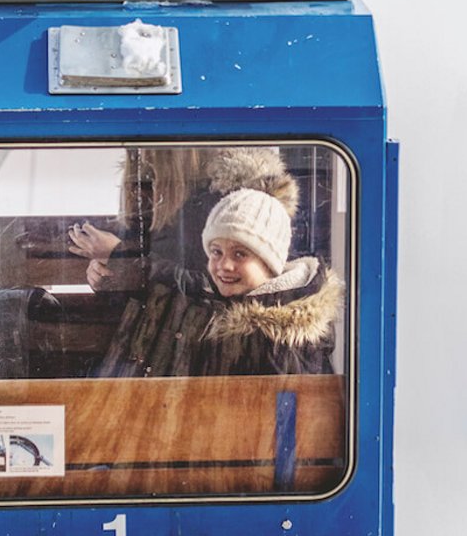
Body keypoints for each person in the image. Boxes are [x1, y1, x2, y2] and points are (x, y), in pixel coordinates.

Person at [95, 184, 343, 377]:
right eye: (216, 252)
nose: (224, 265)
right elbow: (179, 283)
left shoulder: (285, 335)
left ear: (270, 263)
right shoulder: (224, 298)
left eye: (240, 254)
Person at [67, 145, 298, 290]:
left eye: (152, 155)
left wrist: (120, 256)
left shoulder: (228, 205)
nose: (145, 161)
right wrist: (108, 277)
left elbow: (215, 290)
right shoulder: (156, 204)